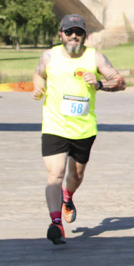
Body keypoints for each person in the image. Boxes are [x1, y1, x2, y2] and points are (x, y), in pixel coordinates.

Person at [32, 14, 127, 245]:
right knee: (55, 174)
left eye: (78, 32)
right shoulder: (49, 56)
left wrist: (99, 84)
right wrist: (38, 86)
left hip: (83, 128)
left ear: (84, 35)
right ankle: (56, 223)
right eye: (69, 31)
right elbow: (38, 73)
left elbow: (120, 82)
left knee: (76, 175)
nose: (73, 36)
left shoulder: (94, 57)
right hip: (54, 124)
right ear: (60, 34)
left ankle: (68, 196)